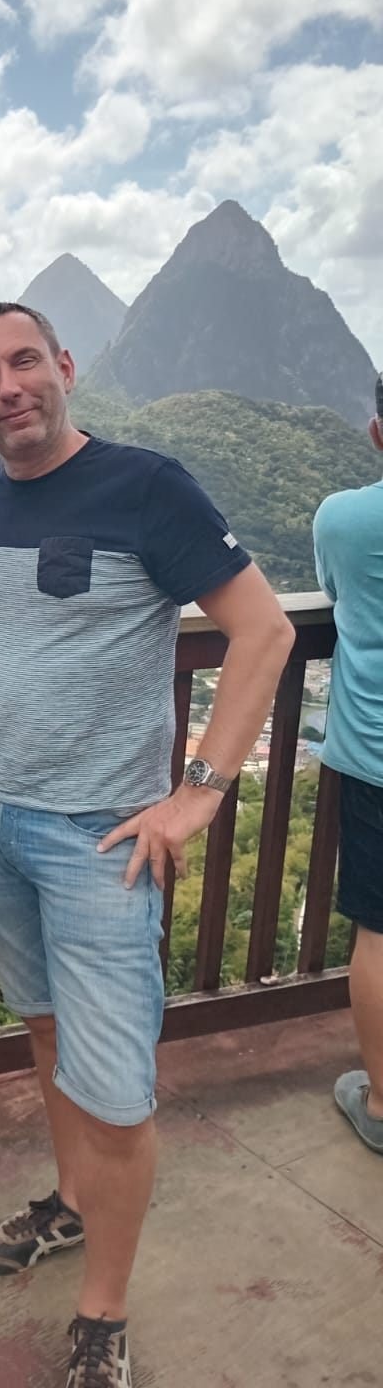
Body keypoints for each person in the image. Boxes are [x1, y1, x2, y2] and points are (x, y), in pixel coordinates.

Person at [0, 302, 294, 1388]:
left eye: (24, 361)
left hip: (99, 837)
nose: (7, 388)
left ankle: (102, 1315)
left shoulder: (147, 487)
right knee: (43, 1027)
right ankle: (70, 1203)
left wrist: (197, 796)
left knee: (119, 1091)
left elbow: (265, 630)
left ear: (65, 366)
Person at [313, 371, 383, 1155]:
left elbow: (332, 593)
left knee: (379, 930)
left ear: (376, 431)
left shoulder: (343, 519)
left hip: (374, 760)